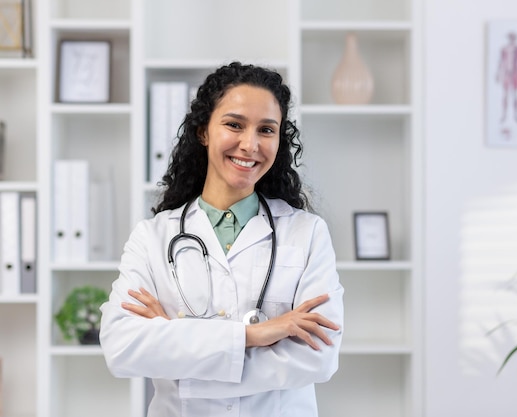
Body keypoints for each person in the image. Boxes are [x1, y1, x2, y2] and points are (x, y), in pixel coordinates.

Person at [99, 62, 344, 417]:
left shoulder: (307, 233)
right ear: (203, 132)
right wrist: (252, 336)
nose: (250, 144)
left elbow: (318, 358)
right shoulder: (152, 238)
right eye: (234, 125)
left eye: (266, 130)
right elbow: (121, 348)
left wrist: (177, 343)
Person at [495, 32, 517, 123]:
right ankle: (504, 115)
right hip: (506, 74)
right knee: (505, 95)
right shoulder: (504, 49)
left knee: (515, 95)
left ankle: (516, 115)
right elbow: (501, 62)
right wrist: (498, 74)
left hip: (515, 73)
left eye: (513, 38)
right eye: (511, 38)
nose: (512, 40)